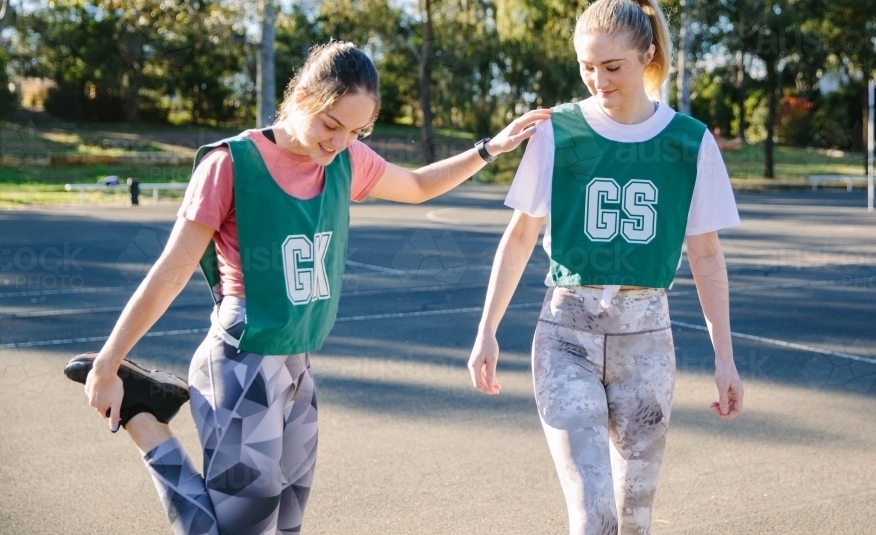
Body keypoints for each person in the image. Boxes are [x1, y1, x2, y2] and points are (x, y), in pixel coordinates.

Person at [66, 40, 551, 535]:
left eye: (356, 130)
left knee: (286, 528)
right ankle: (145, 422)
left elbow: (419, 185)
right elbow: (171, 270)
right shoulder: (231, 164)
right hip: (241, 360)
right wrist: (107, 363)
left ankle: (147, 415)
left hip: (297, 367)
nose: (339, 141)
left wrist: (491, 147)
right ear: (300, 96)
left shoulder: (345, 159)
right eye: (331, 123)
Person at [467, 0, 744, 535]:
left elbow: (707, 257)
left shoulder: (689, 142)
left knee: (633, 520)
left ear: (648, 55)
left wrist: (725, 358)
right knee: (593, 514)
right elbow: (521, 236)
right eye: (587, 67)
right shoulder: (557, 132)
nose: (599, 81)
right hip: (565, 334)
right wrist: (487, 330)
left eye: (613, 67)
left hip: (647, 340)